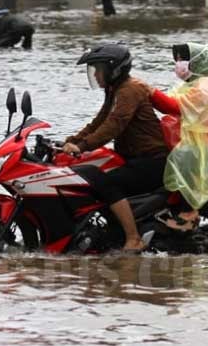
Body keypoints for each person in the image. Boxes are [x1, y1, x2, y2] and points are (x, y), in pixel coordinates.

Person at [63, 44, 169, 252]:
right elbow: (99, 121)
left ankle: (133, 238)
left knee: (105, 182)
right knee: (87, 173)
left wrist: (82, 146)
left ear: (115, 69)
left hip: (152, 161)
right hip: (133, 158)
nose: (96, 75)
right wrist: (70, 140)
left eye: (99, 70)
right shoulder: (115, 90)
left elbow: (114, 125)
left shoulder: (130, 90)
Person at [150, 43, 208, 230]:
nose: (179, 63)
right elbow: (171, 103)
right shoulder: (192, 83)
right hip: (199, 138)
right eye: (178, 59)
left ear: (199, 62)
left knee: (181, 158)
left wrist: (148, 91)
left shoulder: (206, 85)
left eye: (184, 59)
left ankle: (187, 211)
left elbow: (174, 107)